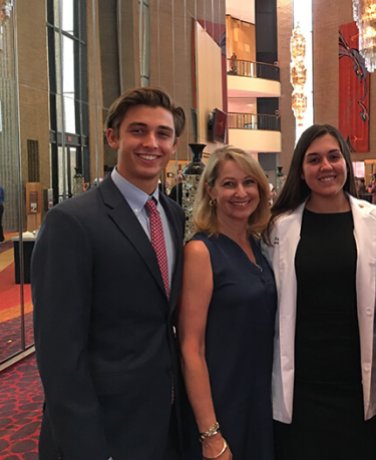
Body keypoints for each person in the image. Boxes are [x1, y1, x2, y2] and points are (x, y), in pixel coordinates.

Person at [32, 87, 187, 459]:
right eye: (138, 130)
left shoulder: (174, 216)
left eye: (162, 134)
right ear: (113, 136)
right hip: (99, 430)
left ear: (174, 144)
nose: (151, 143)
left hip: (161, 423)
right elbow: (59, 352)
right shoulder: (71, 222)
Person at [263, 124, 376, 459]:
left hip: (358, 384)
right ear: (302, 170)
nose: (326, 167)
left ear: (346, 163)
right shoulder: (278, 227)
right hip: (301, 386)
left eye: (334, 157)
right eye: (314, 159)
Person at [179, 147, 276, 460]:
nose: (241, 192)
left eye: (249, 183)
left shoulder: (258, 245)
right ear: (211, 190)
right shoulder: (200, 251)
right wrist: (210, 433)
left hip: (262, 397)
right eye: (229, 184)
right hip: (223, 399)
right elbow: (191, 348)